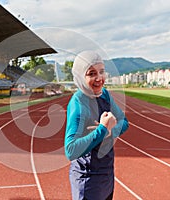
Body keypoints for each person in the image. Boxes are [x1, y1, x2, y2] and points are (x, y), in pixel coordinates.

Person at [64, 50, 129, 200]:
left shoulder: (104, 94)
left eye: (102, 72)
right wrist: (102, 129)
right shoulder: (79, 104)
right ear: (81, 77)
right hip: (87, 179)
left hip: (106, 174)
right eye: (91, 73)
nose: (99, 78)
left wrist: (108, 131)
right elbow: (71, 150)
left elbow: (124, 122)